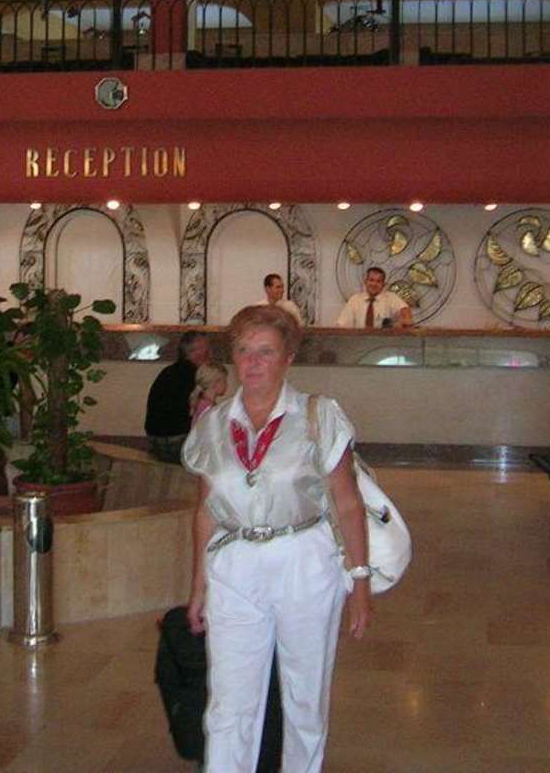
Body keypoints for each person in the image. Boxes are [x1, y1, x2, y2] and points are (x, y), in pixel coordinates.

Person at [183, 304, 373, 773]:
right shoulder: (212, 424)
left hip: (304, 559)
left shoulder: (318, 416)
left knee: (305, 698)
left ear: (288, 358)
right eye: (244, 351)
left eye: (265, 352)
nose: (252, 363)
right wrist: (198, 585)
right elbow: (206, 509)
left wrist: (360, 582)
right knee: (228, 705)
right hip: (234, 562)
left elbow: (348, 504)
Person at [146, 331, 211, 463]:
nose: (210, 353)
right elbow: (200, 412)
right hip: (177, 442)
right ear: (197, 352)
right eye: (207, 348)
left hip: (155, 441)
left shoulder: (169, 372)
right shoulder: (196, 376)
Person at [336, 266, 413, 329]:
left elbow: (405, 311)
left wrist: (404, 321)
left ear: (383, 284)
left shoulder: (391, 298)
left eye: (378, 281)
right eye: (371, 280)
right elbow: (342, 324)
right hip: (359, 341)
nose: (374, 284)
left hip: (384, 341)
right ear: (365, 282)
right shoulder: (355, 300)